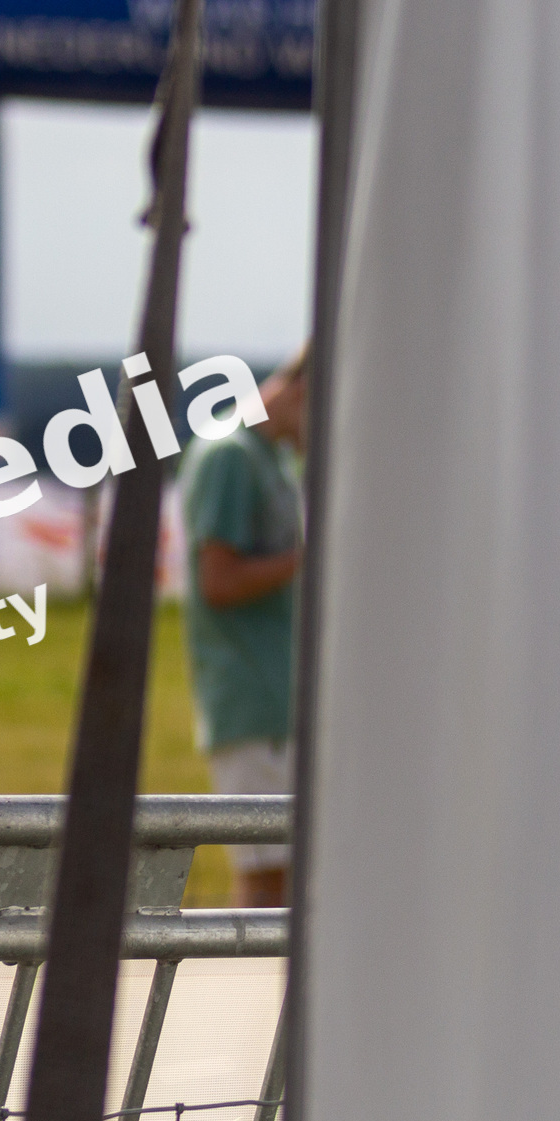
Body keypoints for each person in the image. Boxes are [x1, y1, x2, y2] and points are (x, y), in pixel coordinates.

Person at [180, 348, 307, 908]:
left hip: (281, 697)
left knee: (288, 877)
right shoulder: (229, 453)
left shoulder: (271, 456)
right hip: (251, 696)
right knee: (264, 881)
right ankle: (247, 999)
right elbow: (219, 581)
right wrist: (309, 556)